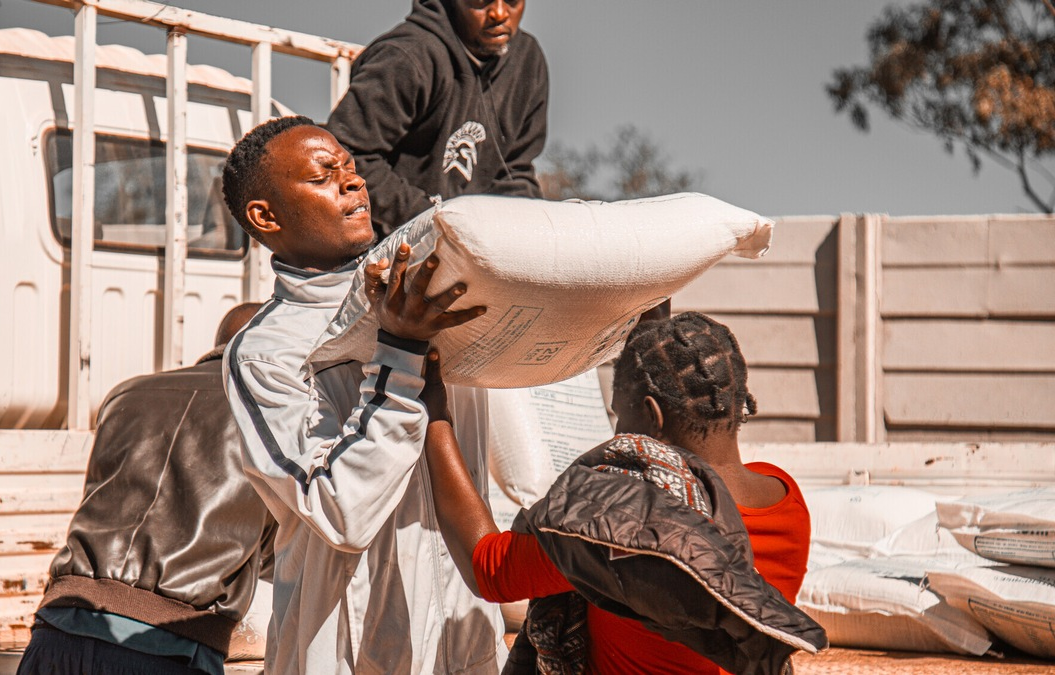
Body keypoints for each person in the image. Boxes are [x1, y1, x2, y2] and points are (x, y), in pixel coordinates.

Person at [221, 115, 506, 674]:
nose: (353, 183)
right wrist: (398, 352)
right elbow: (341, 512)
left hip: (465, 643)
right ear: (265, 215)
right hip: (352, 655)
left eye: (351, 170)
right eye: (324, 175)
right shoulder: (264, 352)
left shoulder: (439, 300)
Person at [422, 312, 814, 674]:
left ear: (652, 416)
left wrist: (436, 416)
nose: (616, 435)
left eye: (621, 416)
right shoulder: (785, 496)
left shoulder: (618, 528)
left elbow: (489, 568)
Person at [17, 302, 277, 675]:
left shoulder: (126, 393)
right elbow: (281, 554)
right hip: (168, 646)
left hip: (58, 629)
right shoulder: (270, 417)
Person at [327, 0, 548, 236]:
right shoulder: (408, 56)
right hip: (390, 245)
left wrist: (516, 237)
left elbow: (516, 172)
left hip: (471, 246)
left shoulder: (527, 60)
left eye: (513, 1)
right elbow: (347, 157)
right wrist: (434, 221)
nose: (499, 13)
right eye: (481, 2)